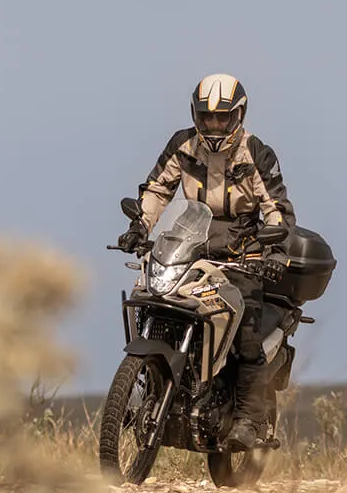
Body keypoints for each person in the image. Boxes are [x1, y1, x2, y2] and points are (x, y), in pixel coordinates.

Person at [115, 73, 298, 451]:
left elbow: (276, 208)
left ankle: (249, 419)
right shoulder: (183, 146)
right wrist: (139, 226)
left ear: (238, 116)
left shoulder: (257, 154)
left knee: (247, 331)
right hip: (190, 248)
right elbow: (156, 190)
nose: (214, 124)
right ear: (196, 114)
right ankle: (160, 389)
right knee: (155, 299)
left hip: (242, 257)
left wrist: (276, 252)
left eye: (222, 117)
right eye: (207, 116)